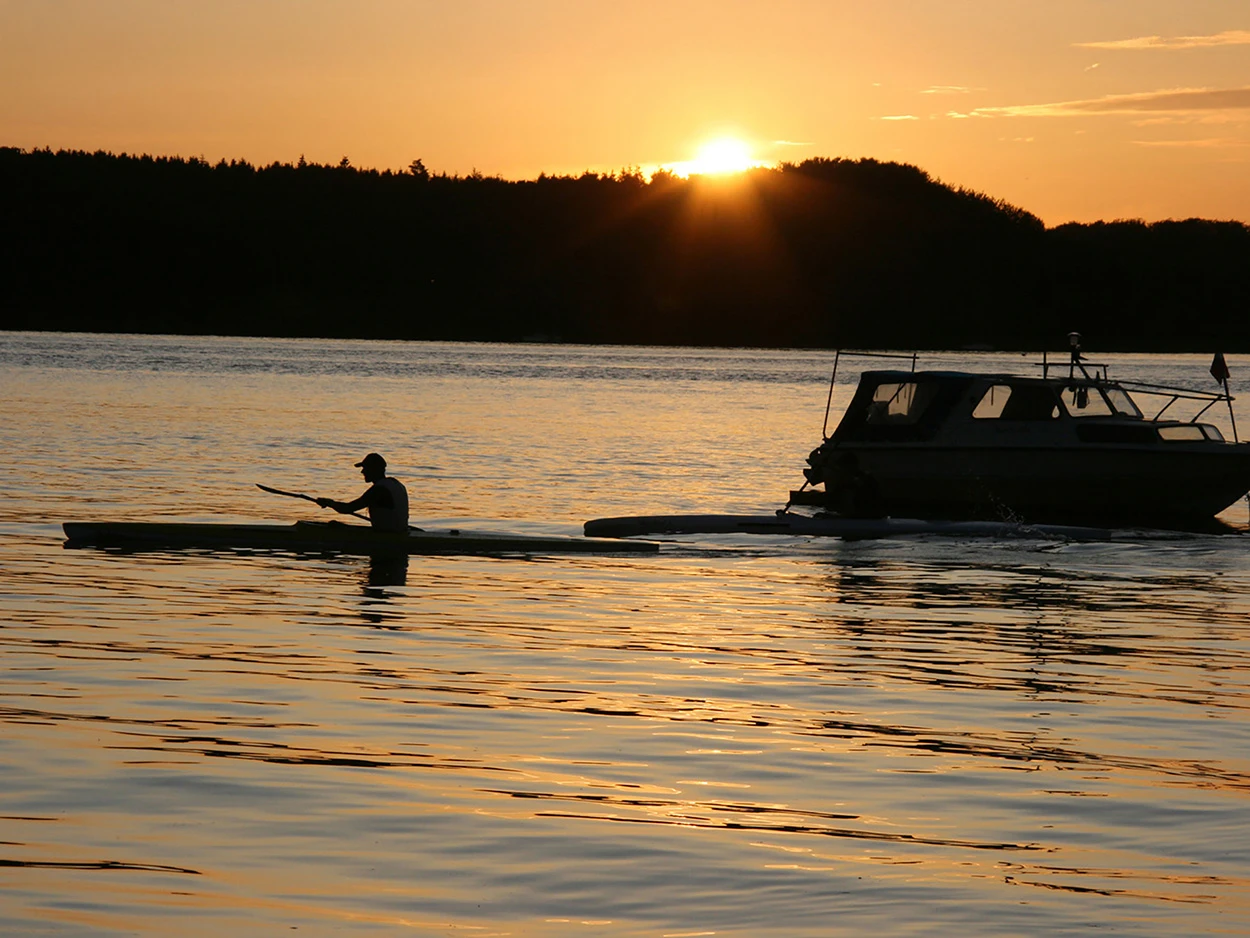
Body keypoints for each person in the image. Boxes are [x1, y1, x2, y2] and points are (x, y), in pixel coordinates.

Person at [316, 453, 410, 532]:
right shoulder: (397, 484)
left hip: (387, 535)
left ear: (374, 469)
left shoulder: (378, 490)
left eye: (366, 468)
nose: (362, 471)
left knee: (333, 525)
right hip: (401, 531)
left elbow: (348, 508)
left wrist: (329, 503)